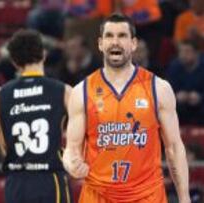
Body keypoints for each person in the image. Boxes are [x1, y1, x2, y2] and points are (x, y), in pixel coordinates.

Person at [62, 13, 190, 203]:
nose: (115, 42)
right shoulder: (82, 91)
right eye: (109, 36)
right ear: (100, 44)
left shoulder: (159, 88)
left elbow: (174, 148)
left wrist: (184, 197)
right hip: (98, 195)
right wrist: (71, 164)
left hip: (147, 195)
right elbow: (71, 150)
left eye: (122, 36)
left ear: (133, 43)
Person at [0, 29, 73, 203]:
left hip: (16, 181)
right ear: (44, 55)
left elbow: (3, 142)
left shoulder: (1, 93)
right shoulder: (63, 90)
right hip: (49, 177)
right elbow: (83, 133)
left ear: (14, 62)